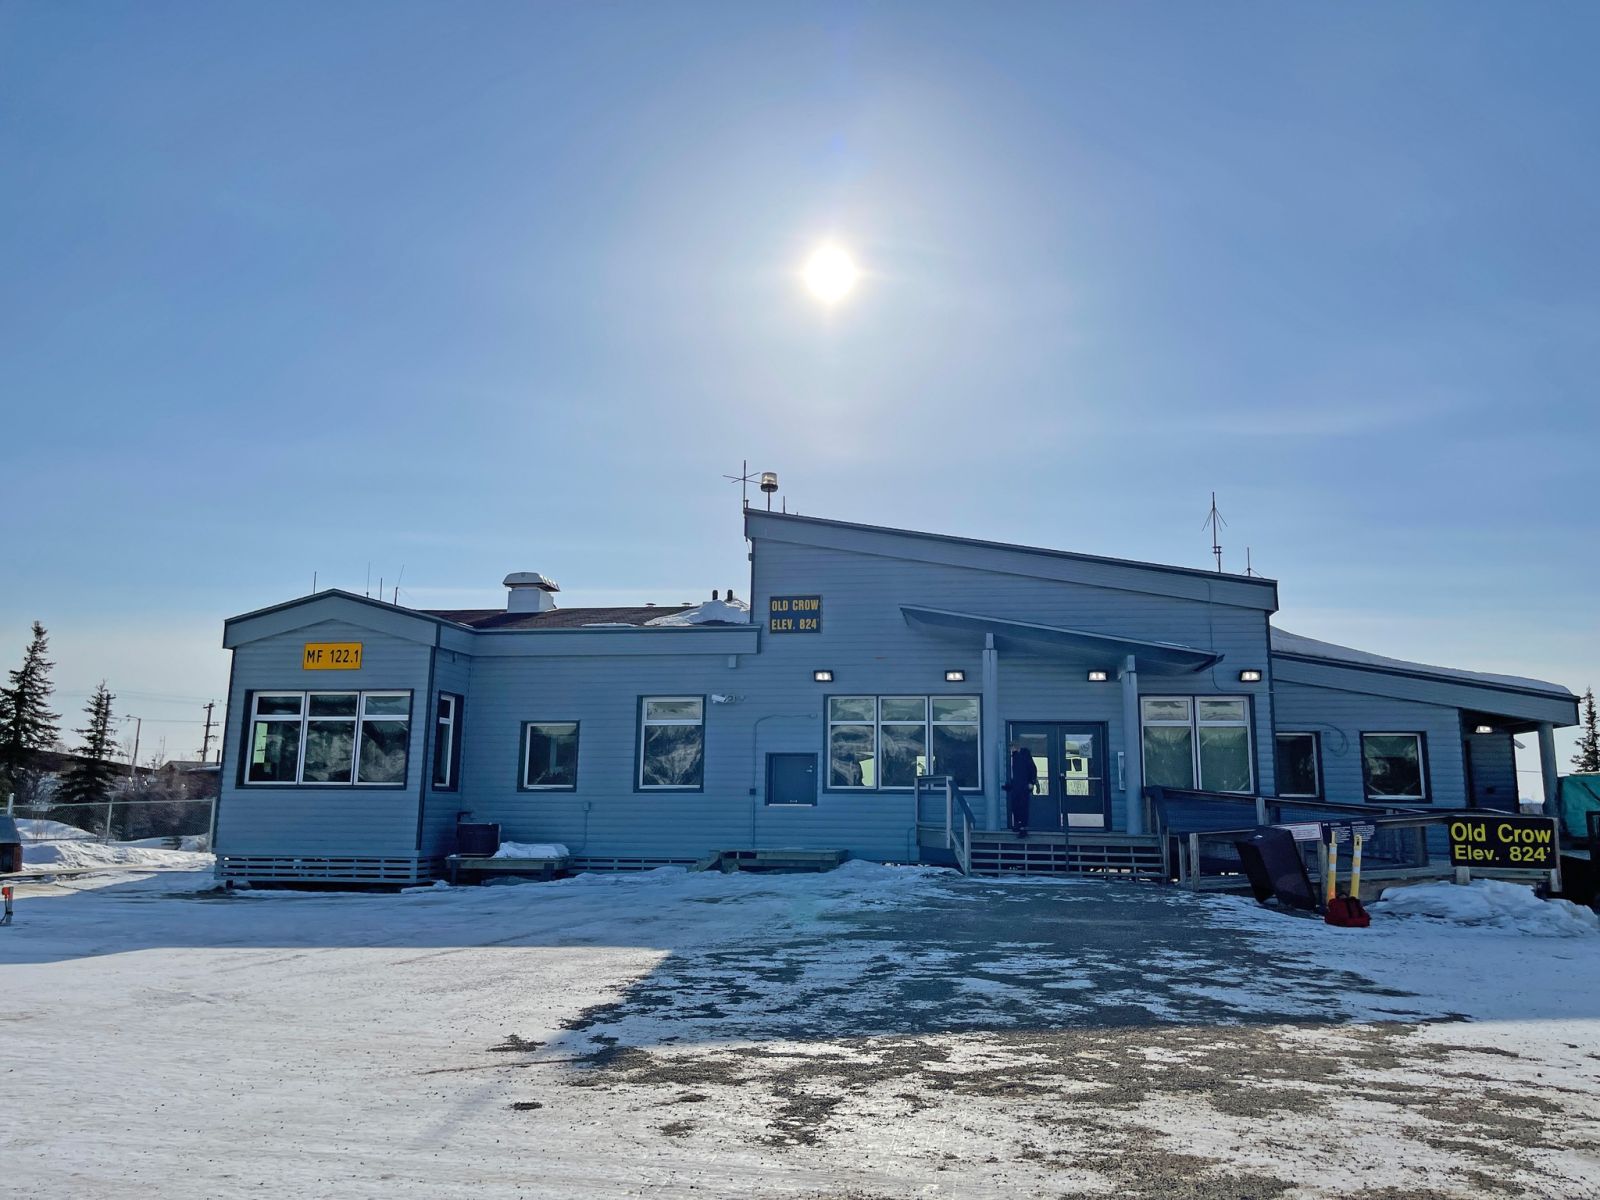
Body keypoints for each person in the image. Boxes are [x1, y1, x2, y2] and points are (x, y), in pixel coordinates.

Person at [1004, 742, 1038, 836]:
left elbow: (1033, 769)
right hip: (1016, 786)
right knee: (1015, 806)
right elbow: (1015, 774)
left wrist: (1031, 782)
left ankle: (1023, 829)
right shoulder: (1014, 757)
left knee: (1023, 807)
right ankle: (1018, 825)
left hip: (1024, 786)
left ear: (1015, 747)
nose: (1011, 750)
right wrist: (1010, 785)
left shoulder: (1025, 756)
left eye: (1011, 748)